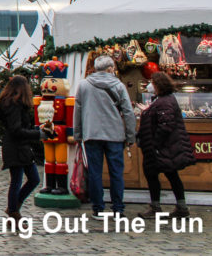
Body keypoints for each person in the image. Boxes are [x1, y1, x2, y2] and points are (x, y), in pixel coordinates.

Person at [74, 54, 136, 215]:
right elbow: (128, 112)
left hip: (92, 134)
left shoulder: (84, 85)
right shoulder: (119, 86)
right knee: (116, 172)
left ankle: (98, 207)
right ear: (110, 69)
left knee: (95, 172)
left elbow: (78, 111)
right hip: (114, 134)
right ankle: (118, 207)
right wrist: (130, 136)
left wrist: (78, 134)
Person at [136, 72, 196, 219]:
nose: (150, 85)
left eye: (152, 82)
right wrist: (148, 111)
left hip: (163, 147)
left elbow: (166, 124)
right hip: (164, 146)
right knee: (167, 174)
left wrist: (155, 144)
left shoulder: (164, 101)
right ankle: (179, 206)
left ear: (158, 85)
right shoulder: (163, 100)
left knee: (160, 175)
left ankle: (160, 207)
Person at [0, 75, 52, 220]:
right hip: (16, 147)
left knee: (33, 179)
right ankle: (14, 212)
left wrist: (35, 130)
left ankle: (14, 207)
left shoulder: (13, 103)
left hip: (21, 147)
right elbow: (16, 130)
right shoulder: (14, 105)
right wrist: (38, 134)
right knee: (17, 180)